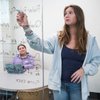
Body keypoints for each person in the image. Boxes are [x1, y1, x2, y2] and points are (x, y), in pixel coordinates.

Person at [16, 4, 100, 100]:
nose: (66, 15)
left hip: (77, 87)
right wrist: (26, 28)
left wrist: (84, 69)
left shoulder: (90, 40)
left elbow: (96, 61)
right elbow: (39, 44)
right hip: (59, 86)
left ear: (79, 16)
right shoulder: (59, 37)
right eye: (65, 14)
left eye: (70, 13)